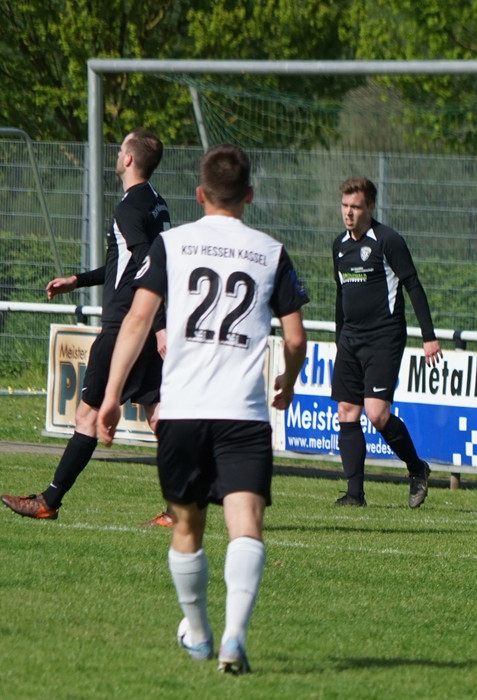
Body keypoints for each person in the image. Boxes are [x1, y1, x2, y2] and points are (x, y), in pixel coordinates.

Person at [97, 143, 309, 674]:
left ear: (199, 194)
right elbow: (295, 338)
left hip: (184, 410)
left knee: (186, 527)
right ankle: (234, 637)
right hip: (243, 412)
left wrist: (111, 395)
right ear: (249, 196)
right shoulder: (270, 252)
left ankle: (197, 630)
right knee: (246, 525)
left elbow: (138, 321)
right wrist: (288, 380)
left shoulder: (172, 244)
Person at [2, 128, 171, 523]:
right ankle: (181, 506)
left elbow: (148, 266)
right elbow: (127, 263)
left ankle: (48, 501)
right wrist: (77, 280)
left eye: (121, 148)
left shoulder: (128, 209)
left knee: (87, 417)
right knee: (159, 415)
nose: (117, 154)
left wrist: (159, 323)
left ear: (129, 159)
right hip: (144, 323)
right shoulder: (156, 203)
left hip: (124, 326)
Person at [331, 176, 441, 508]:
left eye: (356, 207)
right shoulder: (339, 245)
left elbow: (413, 285)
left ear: (371, 207)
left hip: (383, 338)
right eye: (345, 206)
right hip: (350, 339)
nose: (348, 213)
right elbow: (341, 294)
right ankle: (354, 495)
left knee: (377, 414)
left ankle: (417, 468)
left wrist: (429, 336)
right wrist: (339, 339)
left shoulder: (388, 240)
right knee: (346, 411)